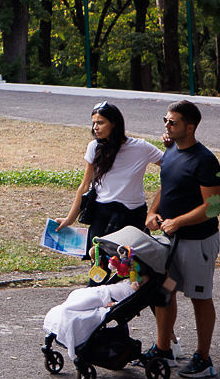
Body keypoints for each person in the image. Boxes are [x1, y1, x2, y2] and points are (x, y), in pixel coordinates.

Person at [146, 99, 220, 379]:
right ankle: (164, 348)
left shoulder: (204, 160)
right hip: (170, 243)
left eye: (173, 122)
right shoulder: (170, 151)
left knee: (200, 297)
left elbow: (213, 206)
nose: (167, 125)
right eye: (165, 120)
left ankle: (203, 358)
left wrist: (178, 221)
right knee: (164, 290)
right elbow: (166, 186)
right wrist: (153, 211)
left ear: (189, 127)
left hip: (197, 243)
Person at [56, 102, 162, 261]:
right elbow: (85, 186)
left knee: (131, 267)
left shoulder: (141, 147)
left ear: (114, 123)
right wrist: (69, 219)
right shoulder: (94, 147)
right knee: (99, 267)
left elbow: (171, 166)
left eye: (100, 122)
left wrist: (158, 202)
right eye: (93, 123)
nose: (95, 128)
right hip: (102, 213)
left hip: (133, 214)